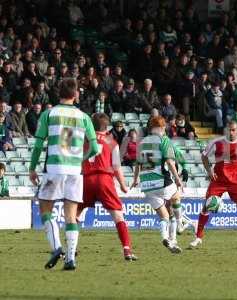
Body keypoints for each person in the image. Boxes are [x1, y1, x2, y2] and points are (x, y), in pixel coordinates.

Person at [29, 78, 99, 271]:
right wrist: (80, 159)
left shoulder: (49, 113)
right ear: (75, 94)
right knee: (71, 216)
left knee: (45, 210)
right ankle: (70, 259)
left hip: (54, 169)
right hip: (75, 172)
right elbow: (94, 148)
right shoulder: (84, 117)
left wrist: (32, 168)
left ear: (58, 93)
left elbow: (37, 146)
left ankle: (56, 247)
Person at [190, 121, 237, 250]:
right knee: (206, 205)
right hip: (218, 180)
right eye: (229, 130)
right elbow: (204, 156)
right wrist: (209, 171)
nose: (231, 132)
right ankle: (198, 237)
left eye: (234, 130)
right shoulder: (217, 142)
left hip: (235, 182)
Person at [77, 113, 137, 261]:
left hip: (87, 179)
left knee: (76, 213)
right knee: (117, 215)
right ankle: (127, 250)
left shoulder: (84, 139)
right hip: (105, 179)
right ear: (107, 126)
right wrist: (123, 185)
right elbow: (116, 167)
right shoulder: (112, 142)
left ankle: (71, 248)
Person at [132, 116, 183, 253]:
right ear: (162, 127)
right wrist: (177, 179)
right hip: (161, 180)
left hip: (146, 184)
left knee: (165, 216)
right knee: (177, 196)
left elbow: (137, 164)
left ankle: (167, 238)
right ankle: (179, 224)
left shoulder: (142, 142)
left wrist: (135, 179)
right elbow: (170, 162)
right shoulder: (163, 140)